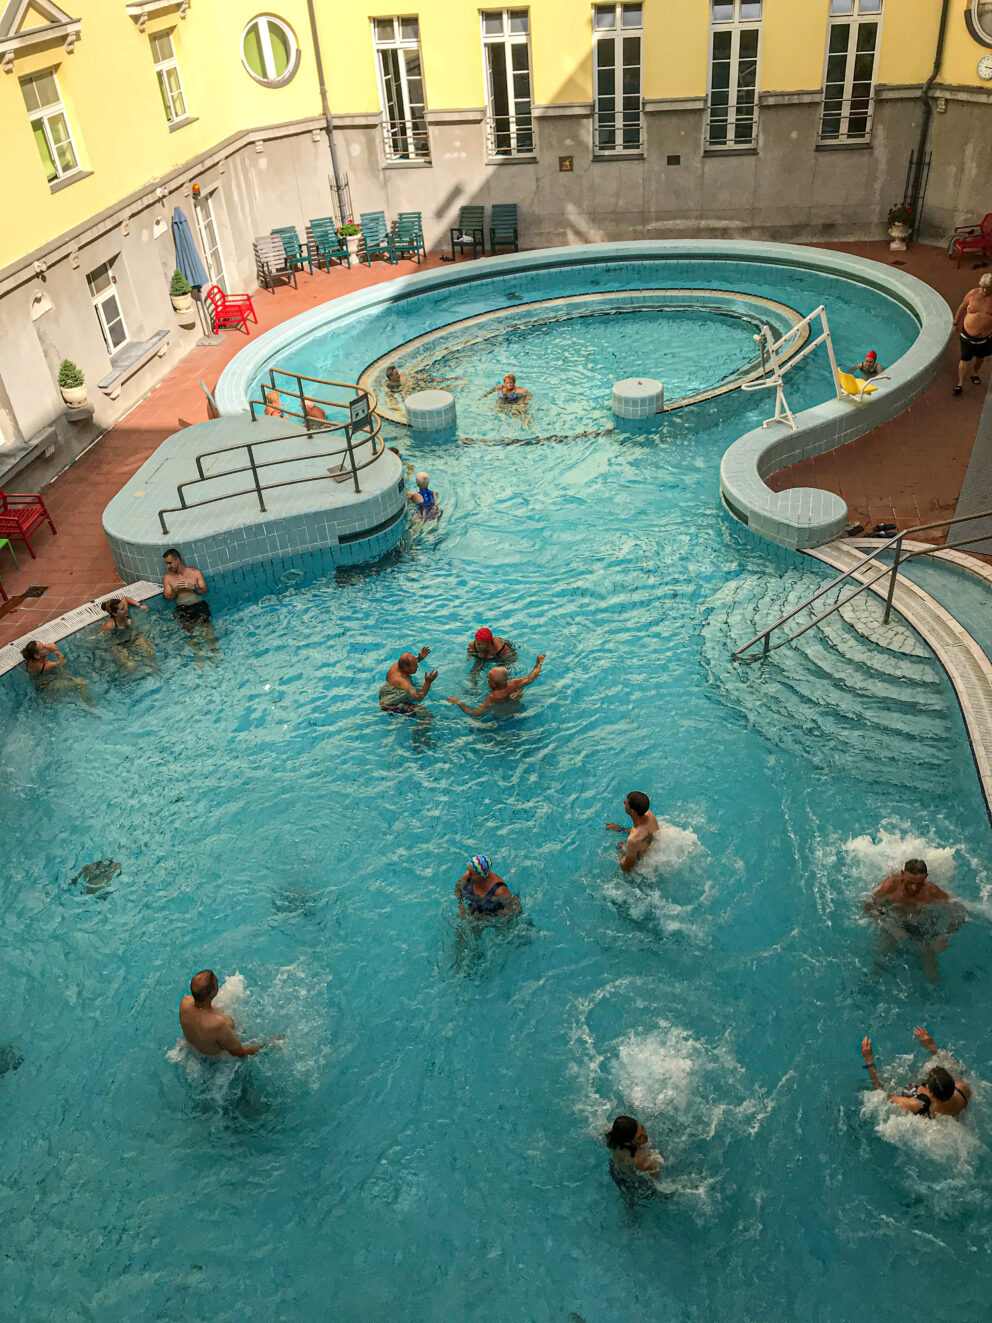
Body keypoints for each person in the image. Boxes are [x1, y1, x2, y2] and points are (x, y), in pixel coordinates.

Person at [864, 857, 964, 982]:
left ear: (926, 877)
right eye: (910, 882)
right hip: (894, 920)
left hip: (920, 925)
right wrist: (891, 927)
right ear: (902, 873)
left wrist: (944, 937)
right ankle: (873, 981)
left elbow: (959, 915)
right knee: (882, 954)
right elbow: (868, 906)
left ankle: (936, 991)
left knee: (931, 969)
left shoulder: (932, 891)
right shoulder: (892, 885)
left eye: (919, 884)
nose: (914, 888)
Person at [860, 1026, 971, 1119]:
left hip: (926, 1111)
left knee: (912, 1088)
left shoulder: (917, 1105)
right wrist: (933, 1048)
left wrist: (869, 1063)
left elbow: (882, 1094)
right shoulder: (963, 1089)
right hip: (948, 1108)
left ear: (931, 1093)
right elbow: (953, 1067)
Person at [179, 969, 275, 1058]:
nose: (218, 981)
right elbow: (239, 1053)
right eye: (216, 983)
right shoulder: (217, 1025)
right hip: (217, 1060)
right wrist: (268, 1044)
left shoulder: (185, 1002)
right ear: (212, 993)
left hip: (195, 1049)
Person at [447, 654, 546, 718]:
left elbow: (475, 713)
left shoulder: (492, 698)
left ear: (493, 683)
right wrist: (539, 662)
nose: (486, 679)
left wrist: (458, 702)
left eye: (488, 678)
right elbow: (532, 677)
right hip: (519, 709)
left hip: (502, 717)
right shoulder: (514, 683)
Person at [162, 548, 218, 659]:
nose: (168, 566)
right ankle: (198, 655)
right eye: (166, 564)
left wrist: (193, 587)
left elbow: (205, 590)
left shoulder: (195, 573)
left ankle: (214, 651)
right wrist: (176, 590)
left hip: (198, 605)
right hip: (183, 608)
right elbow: (167, 597)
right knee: (190, 634)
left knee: (207, 630)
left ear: (178, 560)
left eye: (170, 563)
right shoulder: (167, 578)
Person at [605, 1115, 662, 1202]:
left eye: (643, 1128)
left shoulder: (614, 1132)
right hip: (627, 1177)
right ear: (628, 1143)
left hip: (615, 1166)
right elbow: (657, 1180)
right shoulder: (640, 1158)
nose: (645, 1135)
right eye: (640, 1137)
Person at [21, 640, 95, 706]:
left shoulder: (30, 660)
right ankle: (89, 704)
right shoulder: (49, 665)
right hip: (49, 685)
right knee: (80, 683)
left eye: (43, 644)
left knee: (64, 673)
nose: (46, 646)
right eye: (43, 648)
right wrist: (56, 650)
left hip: (40, 682)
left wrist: (46, 650)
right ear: (37, 656)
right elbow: (63, 661)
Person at [953, 272, 992, 394]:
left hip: (985, 338)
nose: (984, 290)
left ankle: (975, 373)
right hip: (967, 336)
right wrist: (955, 323)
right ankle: (960, 383)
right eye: (982, 287)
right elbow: (961, 308)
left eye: (987, 288)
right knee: (964, 359)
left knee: (980, 358)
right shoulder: (972, 294)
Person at [605, 791, 660, 874]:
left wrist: (621, 854)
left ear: (633, 811)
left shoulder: (633, 839)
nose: (623, 802)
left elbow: (627, 869)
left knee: (620, 845)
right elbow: (643, 833)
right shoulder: (649, 814)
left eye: (626, 802)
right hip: (656, 852)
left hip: (644, 868)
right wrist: (621, 829)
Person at [99, 595, 156, 668]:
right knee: (131, 665)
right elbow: (100, 636)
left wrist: (139, 605)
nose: (126, 609)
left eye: (124, 606)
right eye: (122, 609)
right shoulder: (110, 625)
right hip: (119, 645)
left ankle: (156, 669)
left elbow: (125, 598)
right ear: (115, 614)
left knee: (150, 652)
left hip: (133, 637)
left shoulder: (125, 613)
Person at [379, 645, 438, 713]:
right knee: (425, 713)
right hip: (390, 705)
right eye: (414, 665)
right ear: (405, 668)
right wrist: (428, 682)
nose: (417, 666)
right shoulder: (402, 681)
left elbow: (408, 663)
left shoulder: (398, 665)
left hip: (388, 693)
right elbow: (418, 698)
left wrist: (419, 658)